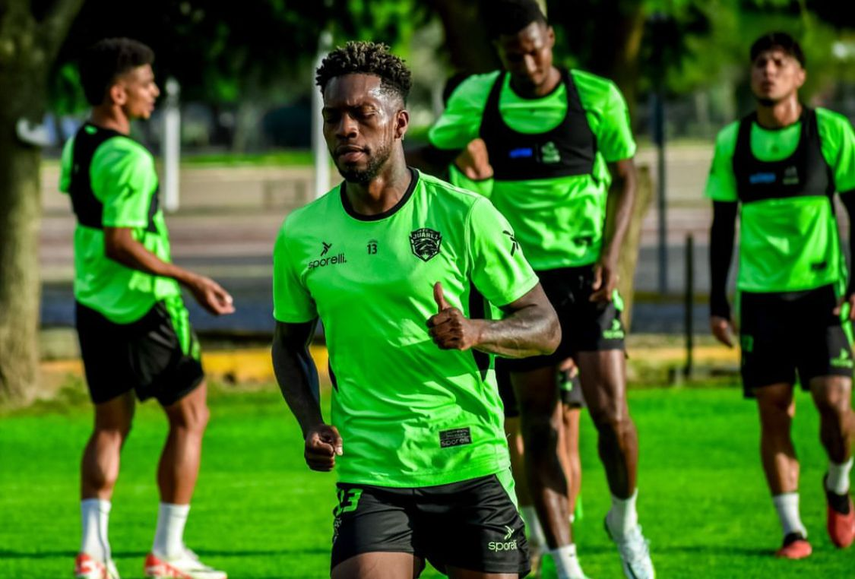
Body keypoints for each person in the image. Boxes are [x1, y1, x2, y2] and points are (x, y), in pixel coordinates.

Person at [272, 41, 561, 579]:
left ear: (399, 122)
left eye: (363, 114)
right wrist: (310, 422)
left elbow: (545, 327)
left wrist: (476, 330)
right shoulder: (301, 234)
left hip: (468, 461)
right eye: (333, 116)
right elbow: (288, 346)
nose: (346, 128)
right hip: (371, 470)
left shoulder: (465, 215)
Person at [414, 1, 653, 577]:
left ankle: (625, 518)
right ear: (499, 53)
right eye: (511, 52)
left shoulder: (595, 96)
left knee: (612, 416)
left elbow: (626, 179)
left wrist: (611, 257)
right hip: (519, 282)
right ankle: (567, 564)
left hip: (588, 277)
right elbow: (431, 154)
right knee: (539, 424)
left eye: (533, 46)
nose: (525, 60)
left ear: (550, 36)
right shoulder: (479, 97)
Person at [63, 38, 233, 579]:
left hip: (93, 303)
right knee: (192, 416)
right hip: (146, 308)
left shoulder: (79, 145)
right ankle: (167, 553)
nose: (155, 91)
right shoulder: (130, 157)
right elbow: (119, 239)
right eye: (146, 83)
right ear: (118, 93)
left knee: (109, 428)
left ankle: (93, 555)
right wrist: (189, 278)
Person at [707, 32, 855, 559]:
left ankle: (839, 483)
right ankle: (793, 529)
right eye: (760, 63)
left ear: (799, 75)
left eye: (779, 62)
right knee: (774, 409)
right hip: (762, 301)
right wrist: (718, 304)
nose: (767, 70)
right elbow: (723, 227)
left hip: (823, 296)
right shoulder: (733, 142)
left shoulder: (831, 133)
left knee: (835, 404)